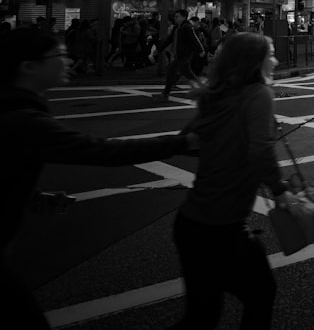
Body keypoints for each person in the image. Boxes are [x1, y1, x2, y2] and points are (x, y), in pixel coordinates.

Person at [0, 28, 196, 329]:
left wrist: (30, 195)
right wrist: (182, 143)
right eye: (59, 56)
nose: (68, 61)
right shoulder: (24, 120)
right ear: (28, 67)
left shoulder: (12, 110)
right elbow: (102, 151)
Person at [170, 33, 292, 329]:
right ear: (255, 61)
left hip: (191, 223)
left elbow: (188, 142)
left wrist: (228, 140)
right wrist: (280, 190)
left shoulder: (218, 93)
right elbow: (261, 150)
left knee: (201, 316)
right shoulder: (258, 94)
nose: (275, 60)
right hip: (221, 227)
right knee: (261, 294)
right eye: (271, 54)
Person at [159, 9, 207, 101]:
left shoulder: (187, 27)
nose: (175, 18)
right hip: (180, 54)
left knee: (171, 70)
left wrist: (201, 50)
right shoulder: (177, 27)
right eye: (175, 17)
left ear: (183, 17)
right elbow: (169, 39)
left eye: (177, 17)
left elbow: (194, 39)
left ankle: (165, 93)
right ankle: (203, 88)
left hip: (184, 54)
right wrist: (160, 49)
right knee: (188, 73)